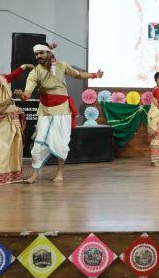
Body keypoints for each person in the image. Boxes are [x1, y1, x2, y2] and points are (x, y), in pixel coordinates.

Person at [14, 43, 104, 184]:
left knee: (61, 143)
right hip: (45, 111)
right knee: (38, 143)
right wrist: (21, 95)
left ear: (49, 53)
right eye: (36, 54)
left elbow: (78, 75)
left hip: (62, 110)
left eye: (41, 53)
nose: (38, 56)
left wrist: (95, 75)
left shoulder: (61, 65)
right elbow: (27, 94)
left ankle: (60, 173)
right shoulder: (34, 72)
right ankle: (34, 174)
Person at [0, 62, 34, 187]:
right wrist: (9, 98)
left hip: (9, 118)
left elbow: (12, 76)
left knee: (11, 147)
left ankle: (10, 175)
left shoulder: (1, 79)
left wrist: (24, 67)